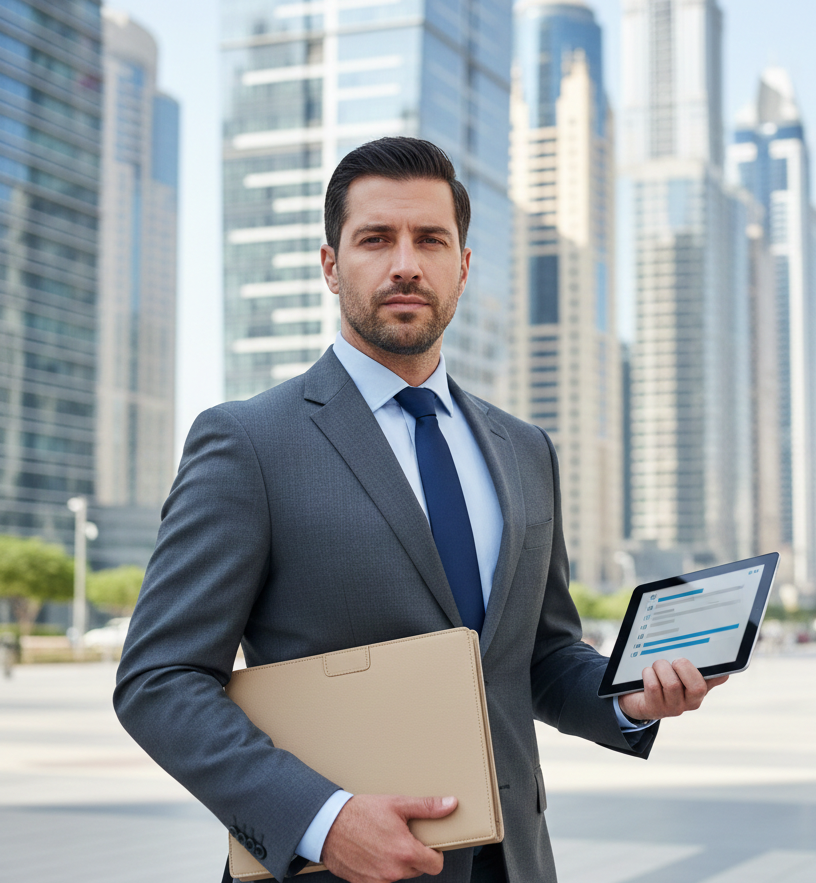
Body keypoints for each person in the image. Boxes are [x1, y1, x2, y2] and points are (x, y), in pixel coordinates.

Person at [114, 137, 727, 883]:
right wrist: (322, 819)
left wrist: (626, 696)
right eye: (375, 238)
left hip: (517, 864)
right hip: (338, 870)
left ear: (463, 267)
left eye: (431, 239)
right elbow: (160, 677)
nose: (405, 262)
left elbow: (537, 656)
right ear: (330, 265)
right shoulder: (248, 442)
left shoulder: (526, 448)